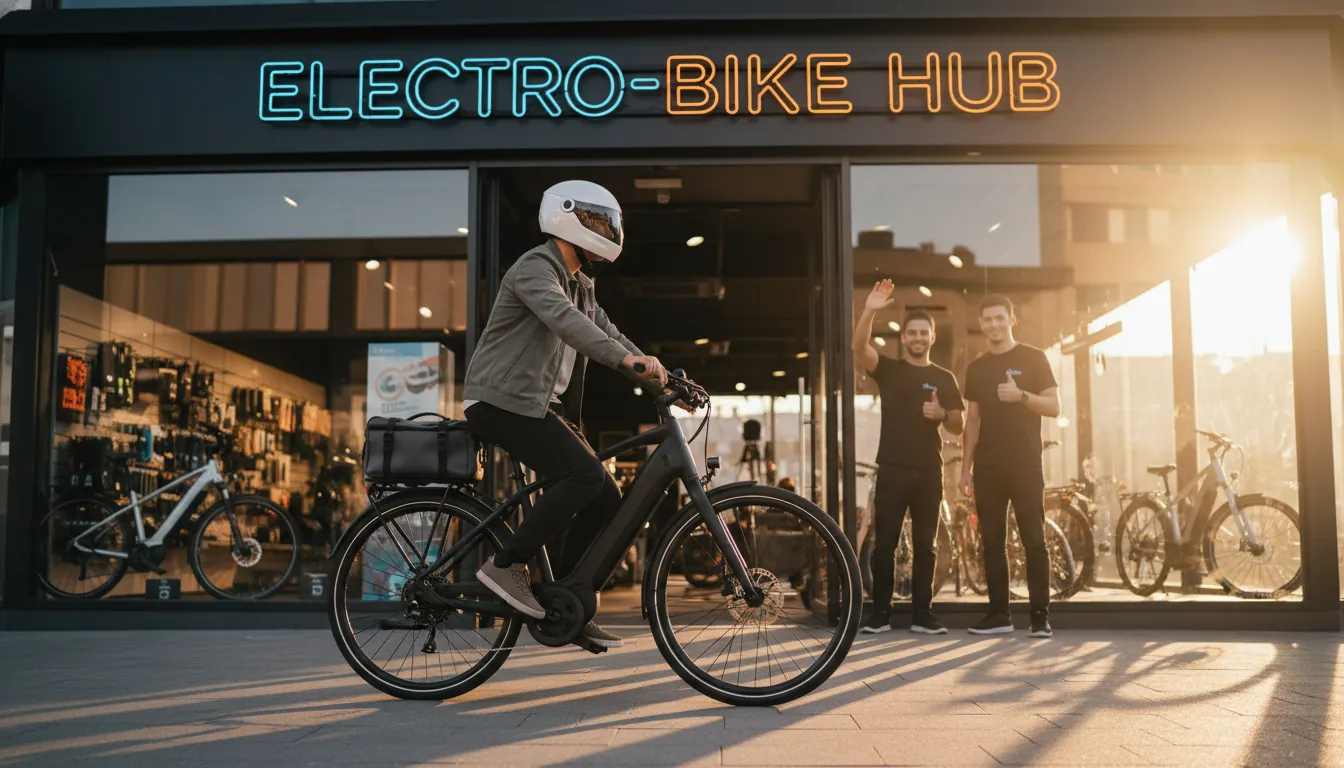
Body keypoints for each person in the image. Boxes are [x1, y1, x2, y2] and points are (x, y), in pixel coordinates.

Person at [462, 180, 668, 650]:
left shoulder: (580, 285)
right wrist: (626, 362)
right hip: (499, 401)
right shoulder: (536, 268)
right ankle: (505, 564)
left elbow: (607, 331)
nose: (604, 232)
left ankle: (570, 597)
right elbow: (567, 323)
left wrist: (659, 376)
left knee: (605, 496)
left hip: (534, 406)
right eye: (597, 222)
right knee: (582, 474)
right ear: (566, 217)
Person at [854, 279, 964, 636]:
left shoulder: (944, 378)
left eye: (923, 333)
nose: (917, 338)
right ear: (905, 337)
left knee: (926, 546)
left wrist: (943, 416)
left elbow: (959, 426)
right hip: (893, 468)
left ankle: (923, 615)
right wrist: (871, 309)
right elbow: (859, 347)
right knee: (883, 544)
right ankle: (881, 614)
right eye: (912, 333)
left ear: (932, 337)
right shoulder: (890, 370)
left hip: (929, 472)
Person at [960, 294, 1061, 639]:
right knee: (992, 543)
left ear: (1011, 320)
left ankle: (1039, 617)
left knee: (1034, 540)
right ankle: (999, 615)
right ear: (982, 324)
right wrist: (965, 469)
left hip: (1025, 465)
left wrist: (1021, 396)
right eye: (987, 319)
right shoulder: (976, 368)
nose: (993, 324)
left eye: (999, 318)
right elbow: (972, 421)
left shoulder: (1034, 358)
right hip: (988, 468)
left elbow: (1054, 407)